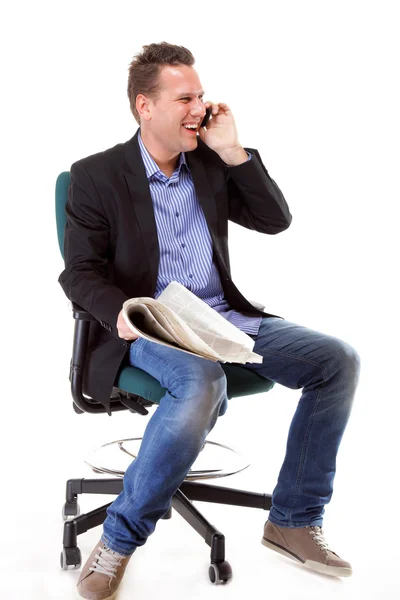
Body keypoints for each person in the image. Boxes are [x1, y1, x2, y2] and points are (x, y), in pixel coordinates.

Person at [59, 42, 361, 599]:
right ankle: (120, 538)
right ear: (144, 107)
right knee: (203, 379)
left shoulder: (210, 164)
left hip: (219, 318)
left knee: (336, 360)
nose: (200, 106)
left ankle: (293, 518)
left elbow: (275, 221)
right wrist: (120, 310)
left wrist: (233, 151)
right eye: (185, 97)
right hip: (149, 328)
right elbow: (78, 273)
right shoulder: (97, 175)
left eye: (201, 95)